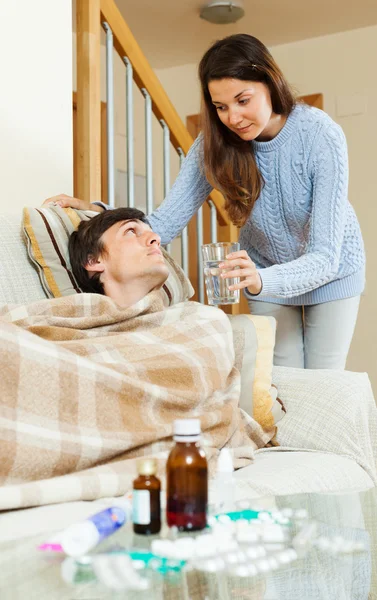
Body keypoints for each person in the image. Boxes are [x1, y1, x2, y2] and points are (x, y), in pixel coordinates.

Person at [47, 33, 365, 370]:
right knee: (282, 378)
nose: (233, 117)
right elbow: (164, 223)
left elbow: (326, 256)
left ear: (270, 83)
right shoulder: (212, 145)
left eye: (243, 100)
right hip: (264, 269)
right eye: (221, 107)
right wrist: (100, 213)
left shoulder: (319, 134)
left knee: (323, 378)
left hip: (332, 271)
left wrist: (261, 280)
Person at [68, 207, 169, 308]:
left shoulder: (182, 316)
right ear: (93, 261)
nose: (156, 238)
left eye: (151, 232)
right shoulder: (58, 318)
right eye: (131, 231)